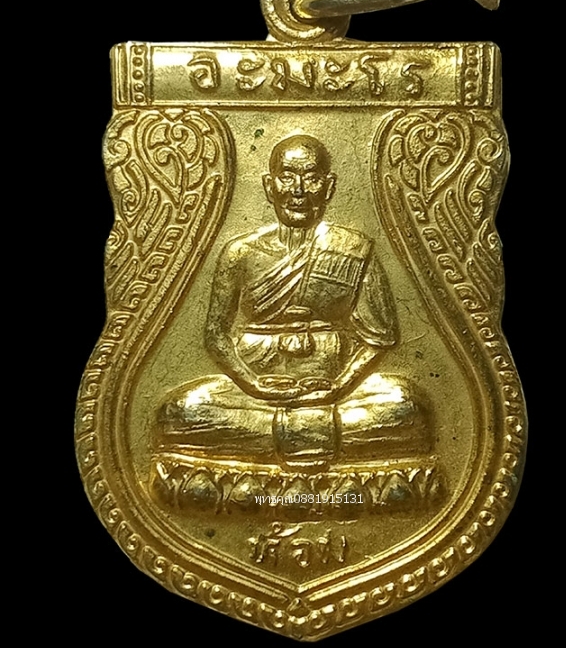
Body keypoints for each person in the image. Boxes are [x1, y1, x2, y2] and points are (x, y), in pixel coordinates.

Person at [158, 134, 430, 468]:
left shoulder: (353, 249)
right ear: (269, 186)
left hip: (338, 388)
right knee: (180, 412)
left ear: (329, 187)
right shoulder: (240, 253)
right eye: (287, 177)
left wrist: (339, 386)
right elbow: (216, 335)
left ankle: (278, 439)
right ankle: (312, 436)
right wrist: (253, 385)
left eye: (311, 178)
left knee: (407, 407)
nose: (298, 190)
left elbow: (380, 338)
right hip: (253, 392)